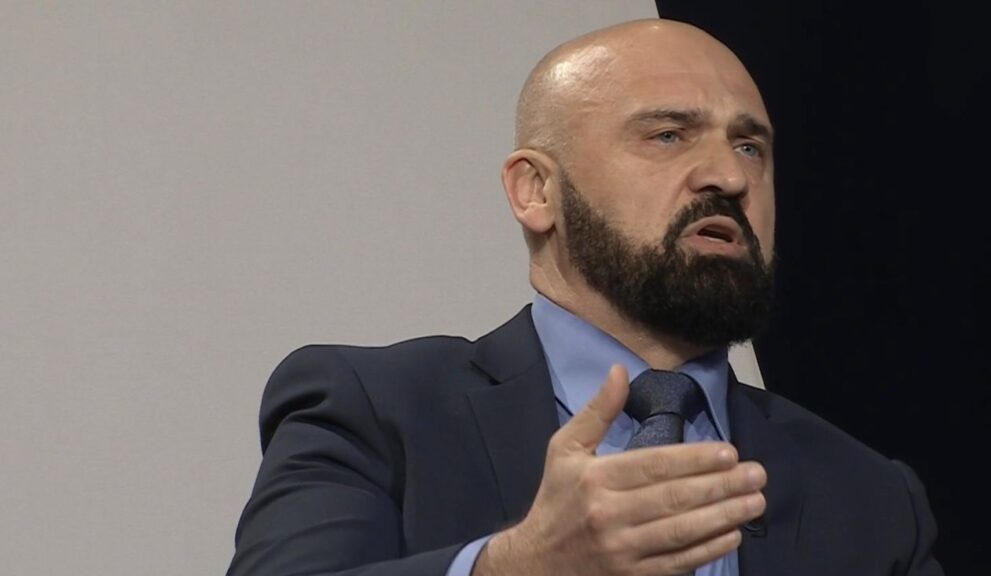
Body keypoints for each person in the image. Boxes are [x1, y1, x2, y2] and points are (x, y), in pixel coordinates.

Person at [227, 19, 943, 576]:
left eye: (750, 147)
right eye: (669, 135)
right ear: (537, 191)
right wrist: (523, 566)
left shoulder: (871, 497)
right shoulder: (373, 410)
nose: (728, 176)